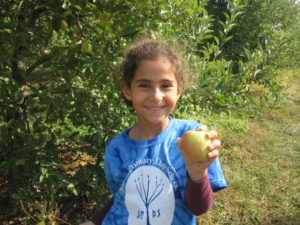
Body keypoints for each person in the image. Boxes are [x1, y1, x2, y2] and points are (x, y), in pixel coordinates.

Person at [80, 38, 227, 225]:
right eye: (144, 85)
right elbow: (123, 197)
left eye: (165, 85)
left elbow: (198, 209)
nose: (156, 96)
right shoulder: (116, 148)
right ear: (128, 90)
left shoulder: (189, 135)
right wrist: (94, 221)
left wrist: (197, 173)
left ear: (178, 91)